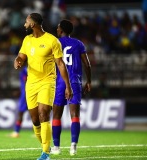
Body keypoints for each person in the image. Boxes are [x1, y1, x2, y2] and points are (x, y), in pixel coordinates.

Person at [14, 13, 73, 160]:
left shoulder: (52, 40)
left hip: (47, 81)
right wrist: (18, 61)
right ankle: (46, 146)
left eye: (26, 22)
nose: (24, 25)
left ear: (33, 24)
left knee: (43, 113)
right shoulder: (27, 40)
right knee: (35, 120)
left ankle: (45, 153)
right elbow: (21, 56)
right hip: (31, 83)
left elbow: (60, 64)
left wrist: (68, 86)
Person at [50, 19, 91, 156]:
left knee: (56, 115)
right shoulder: (78, 44)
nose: (56, 30)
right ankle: (73, 146)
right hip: (75, 81)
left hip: (59, 82)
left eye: (57, 28)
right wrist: (89, 81)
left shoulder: (55, 43)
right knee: (75, 115)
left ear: (61, 30)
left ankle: (56, 147)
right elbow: (87, 64)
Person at [9, 66, 28, 138]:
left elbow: (26, 81)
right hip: (27, 93)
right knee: (35, 113)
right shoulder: (26, 69)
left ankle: (16, 131)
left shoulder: (25, 70)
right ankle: (39, 131)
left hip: (26, 94)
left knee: (20, 113)